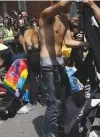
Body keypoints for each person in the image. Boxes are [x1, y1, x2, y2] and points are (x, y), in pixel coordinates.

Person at [39, 1, 89, 137]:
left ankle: (62, 128)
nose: (71, 5)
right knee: (53, 105)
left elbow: (68, 41)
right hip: (48, 66)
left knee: (66, 100)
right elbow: (61, 5)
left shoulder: (64, 18)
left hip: (60, 65)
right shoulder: (46, 14)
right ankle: (46, 134)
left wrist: (89, 44)